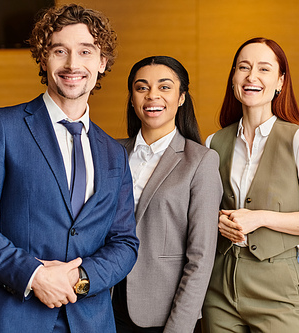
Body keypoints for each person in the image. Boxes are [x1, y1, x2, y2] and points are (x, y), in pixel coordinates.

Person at [0, 4, 139, 333]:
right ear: (43, 58)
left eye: (85, 51)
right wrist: (35, 275)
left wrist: (81, 279)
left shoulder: (114, 152)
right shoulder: (0, 127)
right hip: (11, 318)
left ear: (101, 62)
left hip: (90, 320)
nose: (73, 64)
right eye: (60, 50)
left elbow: (125, 242)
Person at [201, 37, 299, 332]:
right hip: (219, 284)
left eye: (264, 69)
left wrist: (259, 218)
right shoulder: (214, 142)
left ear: (280, 81)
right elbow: (200, 211)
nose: (251, 77)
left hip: (277, 287)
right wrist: (217, 220)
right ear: (233, 78)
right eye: (243, 68)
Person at [111, 56, 222, 333]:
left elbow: (201, 256)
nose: (152, 96)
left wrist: (179, 328)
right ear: (132, 97)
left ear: (181, 97)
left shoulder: (200, 161)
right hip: (105, 304)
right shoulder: (110, 152)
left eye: (164, 87)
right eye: (141, 87)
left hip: (161, 314)